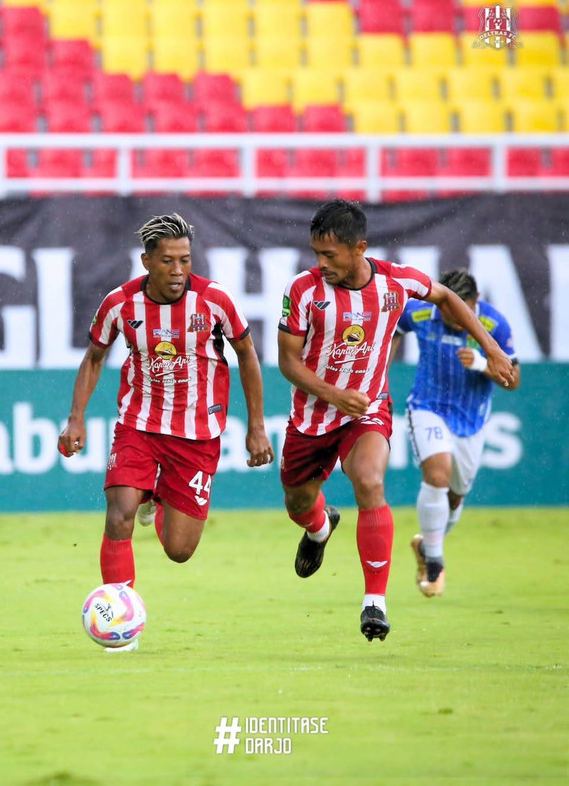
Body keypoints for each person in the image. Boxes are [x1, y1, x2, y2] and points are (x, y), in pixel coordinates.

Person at [277, 200, 515, 643]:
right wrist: (334, 395)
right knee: (297, 501)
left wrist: (492, 349)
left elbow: (446, 297)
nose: (321, 263)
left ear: (359, 248)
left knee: (370, 482)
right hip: (312, 415)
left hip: (366, 408)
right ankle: (320, 527)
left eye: (329, 254)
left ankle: (375, 603)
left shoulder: (395, 282)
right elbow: (288, 362)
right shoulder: (303, 290)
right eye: (316, 253)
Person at [59, 213, 274, 651]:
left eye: (185, 260)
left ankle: (154, 498)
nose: (178, 271)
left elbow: (247, 355)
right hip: (138, 425)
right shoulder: (120, 304)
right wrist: (76, 417)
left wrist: (257, 426)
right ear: (146, 261)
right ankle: (121, 629)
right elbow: (95, 357)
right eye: (168, 261)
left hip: (197, 435)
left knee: (179, 550)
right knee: (118, 514)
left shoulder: (214, 301)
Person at [391, 268, 520, 598]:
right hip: (427, 406)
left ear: (476, 302)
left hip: (471, 418)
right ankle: (435, 563)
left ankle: (427, 546)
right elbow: (392, 331)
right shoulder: (421, 311)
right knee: (437, 475)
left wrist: (482, 364)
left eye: (461, 310)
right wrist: (380, 376)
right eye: (447, 310)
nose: (453, 318)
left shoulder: (493, 324)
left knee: (455, 495)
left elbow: (513, 380)